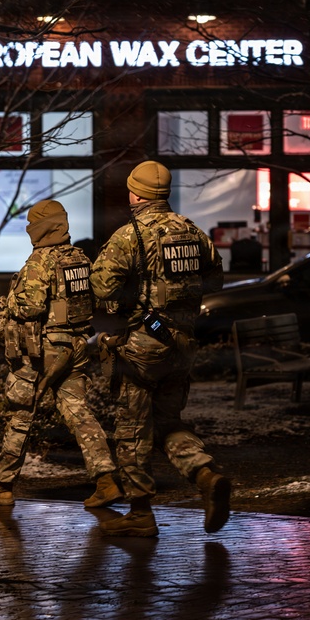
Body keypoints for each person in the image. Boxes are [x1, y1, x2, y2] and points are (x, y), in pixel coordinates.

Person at [90, 161, 229, 537]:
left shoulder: (129, 235)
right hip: (182, 345)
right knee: (169, 421)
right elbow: (215, 280)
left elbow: (101, 288)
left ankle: (140, 511)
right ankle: (205, 474)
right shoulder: (192, 231)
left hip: (142, 348)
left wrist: (134, 297)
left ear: (137, 193)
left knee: (132, 429)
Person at [0, 199, 122, 509]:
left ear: (39, 230)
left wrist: (5, 305)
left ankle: (2, 485)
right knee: (79, 412)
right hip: (77, 345)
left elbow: (31, 307)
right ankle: (106, 480)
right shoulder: (79, 258)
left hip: (43, 351)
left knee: (21, 412)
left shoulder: (40, 261)